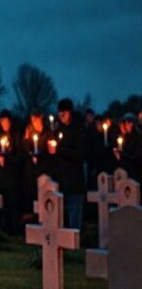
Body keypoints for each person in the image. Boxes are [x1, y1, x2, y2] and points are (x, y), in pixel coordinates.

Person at [53, 98, 86, 230]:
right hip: (63, 179)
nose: (61, 117)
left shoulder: (79, 129)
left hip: (75, 179)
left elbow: (81, 153)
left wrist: (60, 150)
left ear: (70, 112)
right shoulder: (60, 129)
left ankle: (75, 241)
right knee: (64, 214)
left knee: (75, 213)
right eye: (59, 114)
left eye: (64, 114)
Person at [21, 109, 56, 223]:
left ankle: (45, 223)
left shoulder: (48, 133)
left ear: (40, 118)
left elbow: (51, 151)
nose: (34, 122)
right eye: (32, 120)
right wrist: (26, 139)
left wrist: (41, 155)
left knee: (44, 200)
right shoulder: (30, 133)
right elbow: (25, 150)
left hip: (44, 171)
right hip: (31, 173)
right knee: (33, 201)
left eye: (36, 119)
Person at [0, 110, 24, 234]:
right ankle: (5, 228)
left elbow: (20, 156)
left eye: (6, 121)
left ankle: (14, 229)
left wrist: (8, 158)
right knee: (3, 203)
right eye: (2, 121)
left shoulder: (16, 135)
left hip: (13, 176)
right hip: (2, 176)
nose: (4, 123)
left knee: (13, 204)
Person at [114, 113, 142, 181]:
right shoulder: (126, 137)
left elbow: (134, 156)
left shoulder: (137, 137)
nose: (125, 126)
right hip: (129, 170)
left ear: (131, 124)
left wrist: (122, 154)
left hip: (136, 170)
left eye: (126, 124)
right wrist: (119, 155)